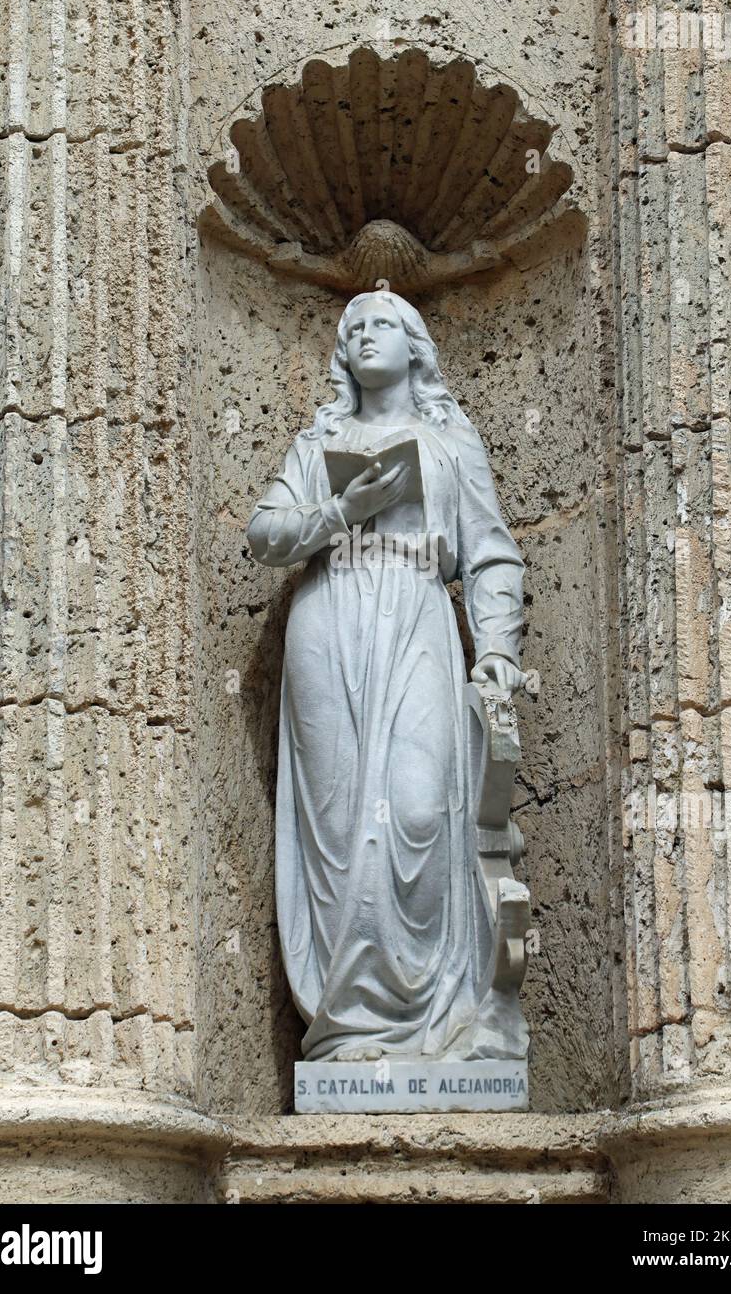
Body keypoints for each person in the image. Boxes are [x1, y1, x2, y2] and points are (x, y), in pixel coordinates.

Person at [247, 290, 527, 1061]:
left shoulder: (448, 440)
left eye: (384, 326)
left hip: (418, 614)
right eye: (355, 329)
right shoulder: (320, 442)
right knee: (339, 822)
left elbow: (492, 551)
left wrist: (497, 645)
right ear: (344, 354)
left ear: (415, 346)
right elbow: (265, 534)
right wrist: (340, 509)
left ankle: (437, 1018)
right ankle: (351, 1029)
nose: (368, 337)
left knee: (415, 810)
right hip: (330, 616)